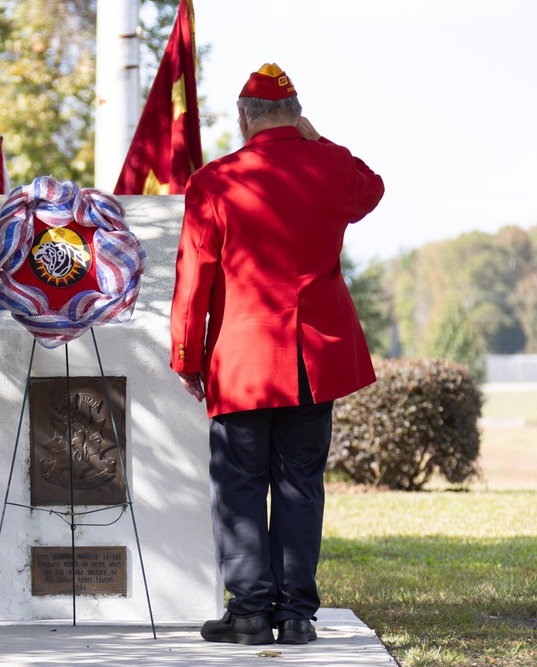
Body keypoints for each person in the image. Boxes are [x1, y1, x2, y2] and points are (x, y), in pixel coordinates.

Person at [170, 64, 384, 646]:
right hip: (314, 359)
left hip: (242, 360)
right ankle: (295, 616)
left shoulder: (216, 180)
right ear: (296, 114)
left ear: (243, 119)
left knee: (240, 484)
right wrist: (318, 139)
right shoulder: (332, 165)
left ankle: (248, 613)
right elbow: (372, 186)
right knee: (300, 484)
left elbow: (194, 279)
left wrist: (189, 355)